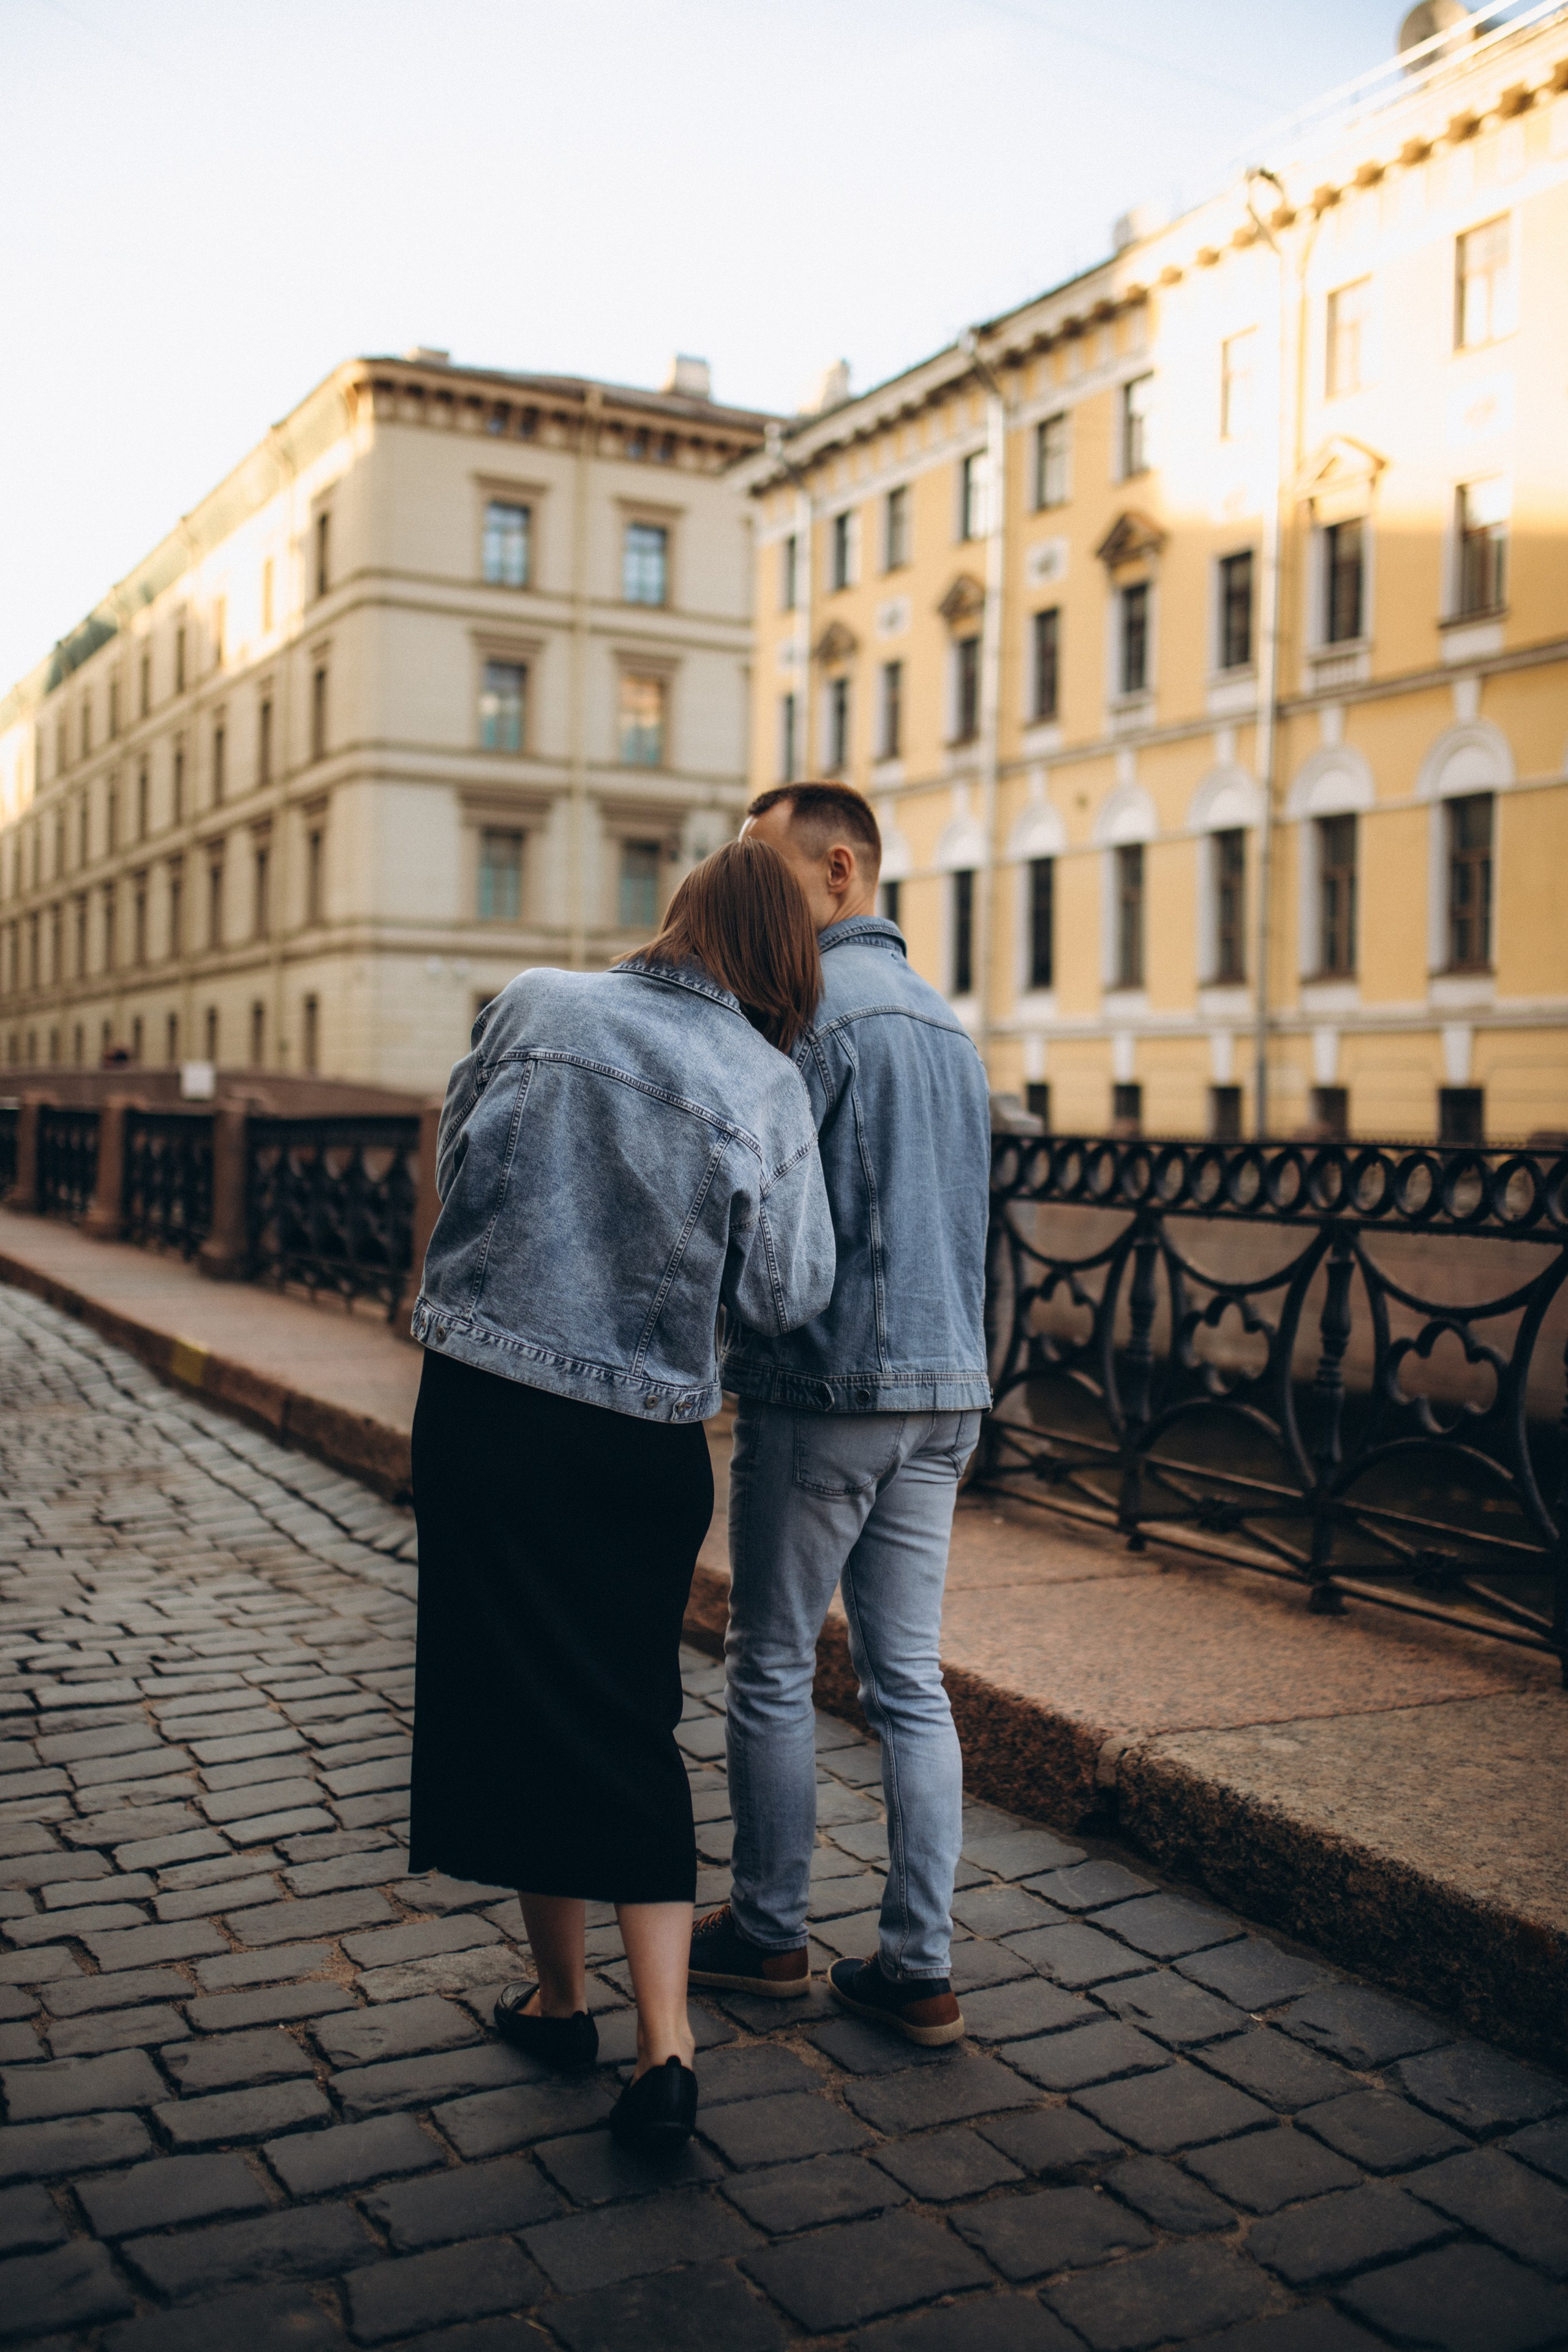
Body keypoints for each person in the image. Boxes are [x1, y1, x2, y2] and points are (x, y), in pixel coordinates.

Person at [407, 837, 834, 2154]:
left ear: (679, 917)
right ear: (779, 954)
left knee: (512, 1696)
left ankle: (555, 1998)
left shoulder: (533, 1003)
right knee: (621, 1711)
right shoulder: (765, 1081)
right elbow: (787, 1296)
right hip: (636, 1440)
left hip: (482, 1410)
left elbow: (451, 1169)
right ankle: (664, 2049)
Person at [689, 783, 993, 2046]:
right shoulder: (950, 1027)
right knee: (908, 1681)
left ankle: (766, 1934)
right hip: (945, 1390)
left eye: (767, 869)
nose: (752, 894)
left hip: (826, 1393)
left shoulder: (807, 1020)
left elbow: (765, 1224)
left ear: (839, 871)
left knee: (769, 1661)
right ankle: (916, 1967)